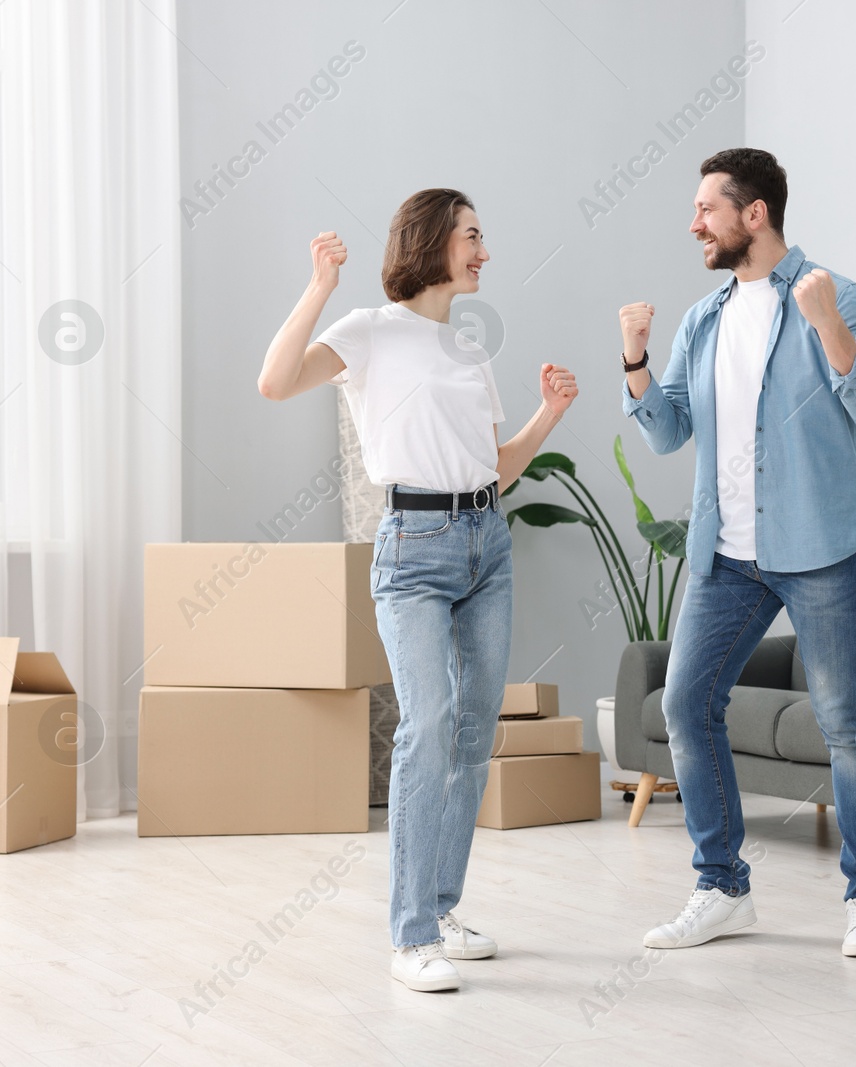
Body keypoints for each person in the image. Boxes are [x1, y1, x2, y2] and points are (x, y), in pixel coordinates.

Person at [258, 188, 577, 991]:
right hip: (415, 551)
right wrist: (320, 287)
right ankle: (408, 937)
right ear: (434, 239)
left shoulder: (468, 347)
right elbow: (275, 380)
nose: (484, 250)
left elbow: (495, 466)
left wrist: (548, 415)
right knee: (426, 725)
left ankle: (439, 909)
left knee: (473, 733)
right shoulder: (367, 331)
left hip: (487, 545)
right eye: (473, 235)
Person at [619, 148, 856, 957]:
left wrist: (830, 329)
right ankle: (721, 886)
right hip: (728, 556)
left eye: (708, 207)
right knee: (685, 704)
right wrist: (635, 361)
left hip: (819, 548)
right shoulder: (704, 318)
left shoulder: (832, 295)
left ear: (755, 214)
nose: (694, 222)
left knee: (848, 722)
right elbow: (670, 430)